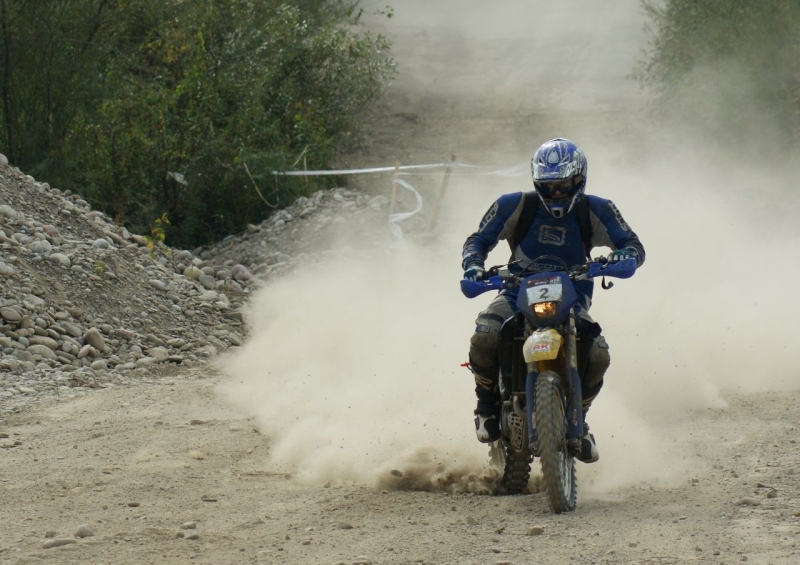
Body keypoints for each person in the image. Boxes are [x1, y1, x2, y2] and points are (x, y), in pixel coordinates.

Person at [461, 138, 645, 463]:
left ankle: (580, 420)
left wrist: (623, 255)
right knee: (485, 335)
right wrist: (474, 265)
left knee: (598, 355)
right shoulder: (515, 205)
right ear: (537, 181)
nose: (557, 192)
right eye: (549, 186)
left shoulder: (597, 209)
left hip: (572, 294)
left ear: (579, 179)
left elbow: (632, 244)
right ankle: (486, 407)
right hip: (517, 290)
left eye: (563, 185)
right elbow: (478, 239)